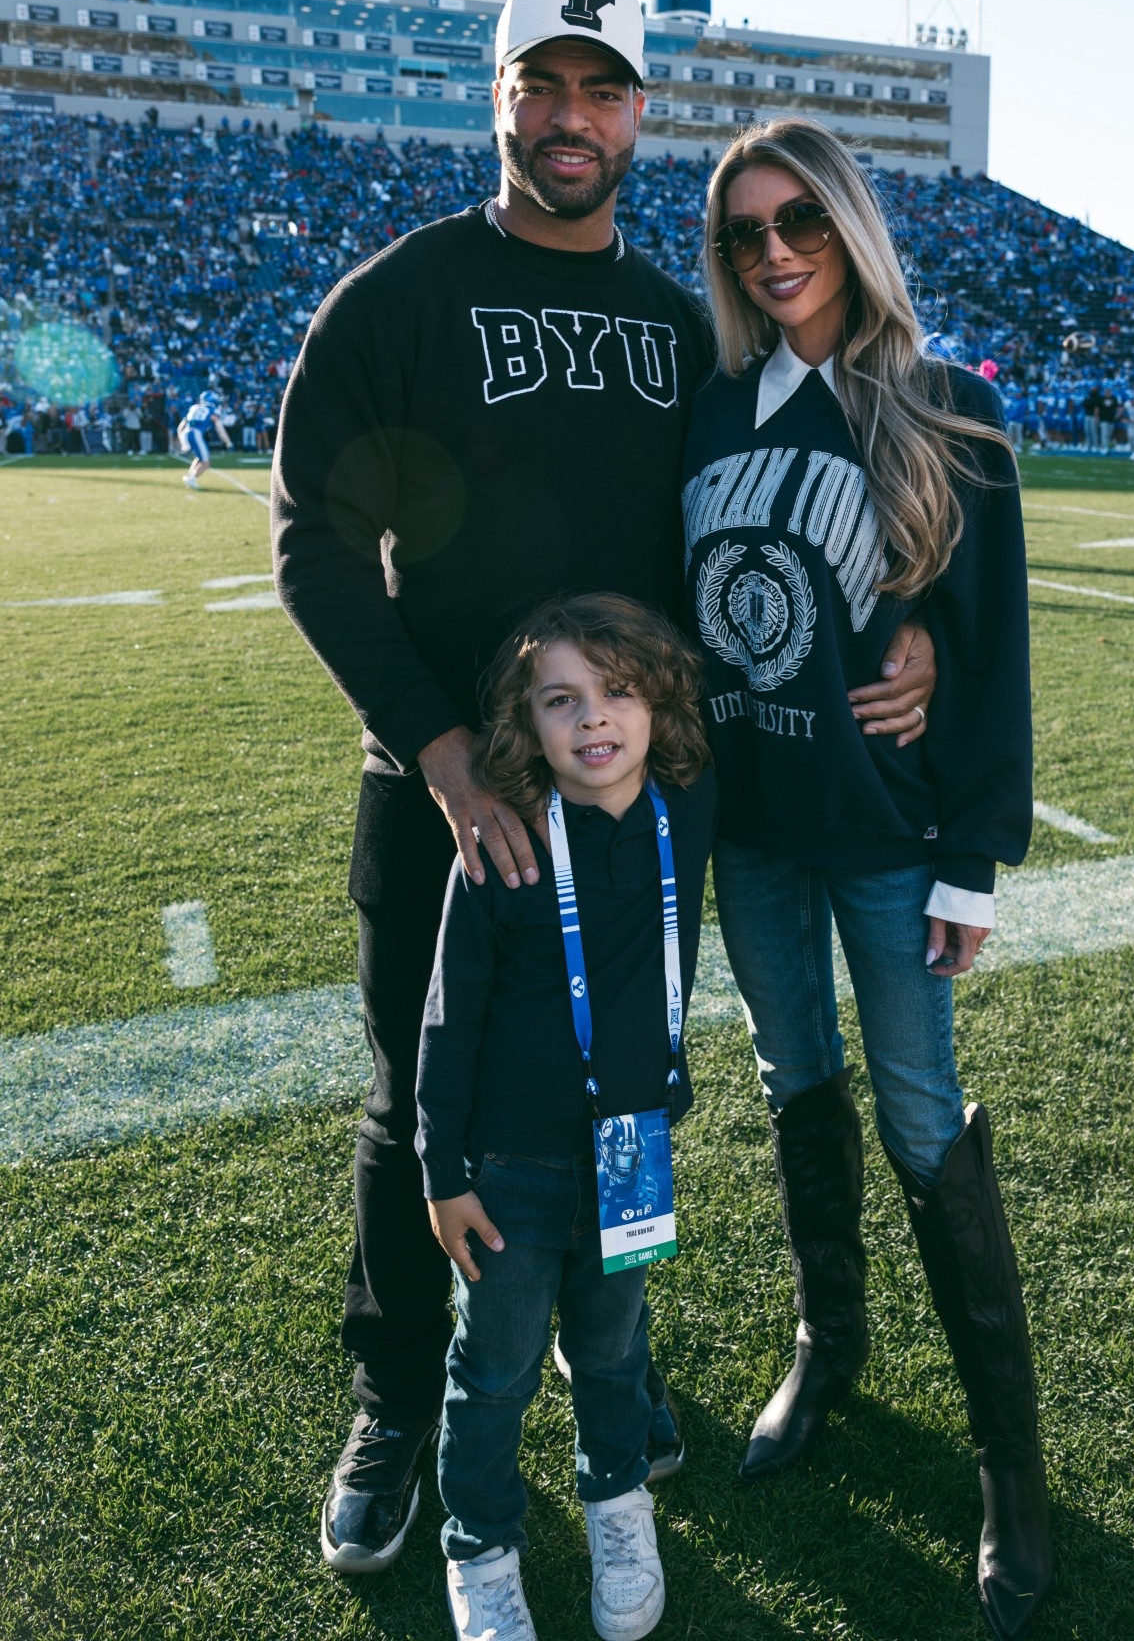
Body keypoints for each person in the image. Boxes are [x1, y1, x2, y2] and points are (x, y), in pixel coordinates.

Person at [271, 0, 936, 1576]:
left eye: (604, 89)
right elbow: (314, 549)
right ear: (496, 98)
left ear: (639, 112)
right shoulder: (401, 296)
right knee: (410, 1104)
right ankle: (398, 1408)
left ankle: (595, 1351)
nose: (572, 118)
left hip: (636, 802)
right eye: (542, 87)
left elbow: (785, 510)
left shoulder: (677, 324)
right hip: (446, 794)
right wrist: (443, 758)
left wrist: (914, 631)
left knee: (622, 1076)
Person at [683, 118, 1051, 1639]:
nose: (773, 253)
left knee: (917, 1112)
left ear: (850, 228)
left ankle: (1007, 1468)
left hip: (893, 845)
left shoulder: (944, 406)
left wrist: (969, 856)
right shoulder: (708, 415)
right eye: (745, 234)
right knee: (791, 1081)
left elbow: (988, 644)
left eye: (801, 225)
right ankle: (824, 1346)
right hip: (752, 834)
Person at [417, 594, 715, 1641]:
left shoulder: (689, 807)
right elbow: (447, 1020)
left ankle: (616, 1505)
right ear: (525, 720)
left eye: (618, 690)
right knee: (492, 1370)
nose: (594, 719)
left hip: (631, 1152)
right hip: (509, 1170)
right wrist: (440, 1167)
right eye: (562, 699)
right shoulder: (502, 844)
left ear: (658, 700)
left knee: (614, 1351)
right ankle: (482, 1547)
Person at [177, 386, 232, 487]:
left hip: (186, 433)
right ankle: (192, 479)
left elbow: (181, 427)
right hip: (196, 433)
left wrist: (182, 440)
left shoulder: (194, 408)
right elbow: (220, 429)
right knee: (206, 463)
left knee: (199, 458)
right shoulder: (212, 411)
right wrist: (228, 442)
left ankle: (189, 476)